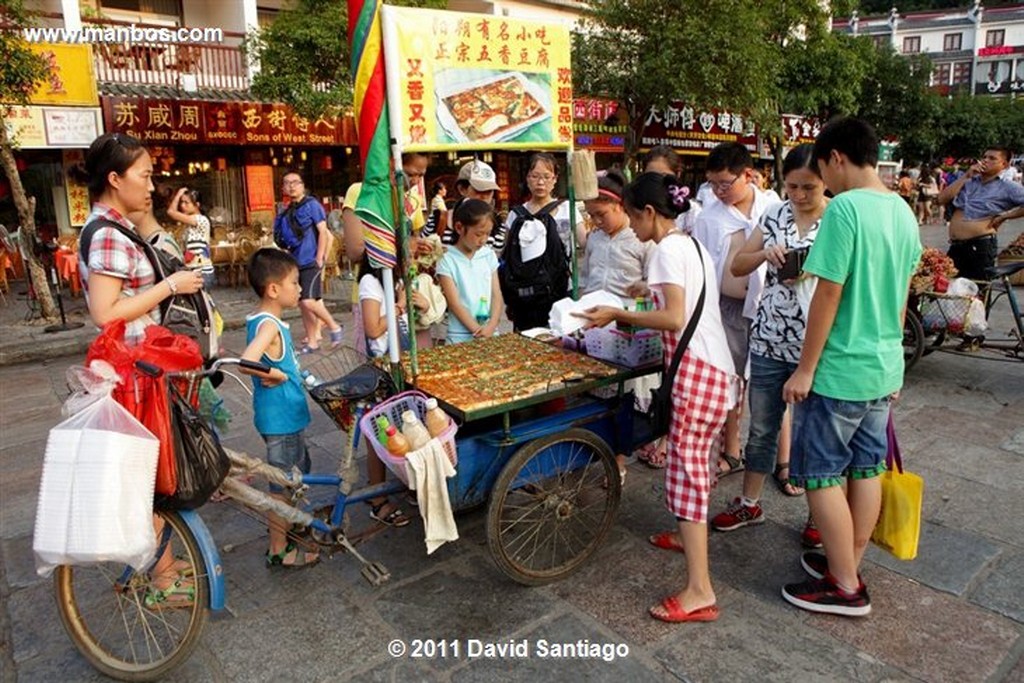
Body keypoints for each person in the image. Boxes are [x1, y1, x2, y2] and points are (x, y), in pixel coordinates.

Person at [576, 172, 735, 624]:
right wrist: (647, 290)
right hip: (717, 368)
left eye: (631, 212)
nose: (630, 223)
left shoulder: (665, 248)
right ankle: (690, 537)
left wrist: (616, 311)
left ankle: (699, 590)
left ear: (647, 212)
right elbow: (688, 299)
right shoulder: (689, 243)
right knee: (698, 463)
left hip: (695, 372)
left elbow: (673, 317)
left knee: (686, 471)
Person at [781, 118, 922, 617]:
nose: (825, 180)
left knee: (820, 475)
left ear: (835, 158)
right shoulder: (903, 212)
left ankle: (843, 585)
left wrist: (805, 369)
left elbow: (830, 292)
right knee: (866, 468)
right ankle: (848, 562)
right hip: (882, 367)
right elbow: (902, 297)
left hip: (840, 368)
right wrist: (897, 364)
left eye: (822, 168)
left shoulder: (845, 210)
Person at [77, 132, 205, 604]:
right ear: (115, 178)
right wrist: (171, 284)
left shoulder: (114, 224)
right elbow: (106, 312)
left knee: (152, 476)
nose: (152, 186)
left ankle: (163, 570)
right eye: (145, 176)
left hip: (139, 368)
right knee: (151, 478)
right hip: (134, 374)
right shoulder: (108, 233)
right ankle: (160, 580)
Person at [709, 144, 829, 543]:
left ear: (825, 182)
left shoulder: (836, 219)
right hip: (767, 339)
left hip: (815, 346)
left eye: (808, 187)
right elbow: (738, 264)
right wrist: (765, 252)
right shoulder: (774, 213)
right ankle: (749, 502)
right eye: (791, 186)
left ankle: (819, 515)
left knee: (813, 432)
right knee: (761, 428)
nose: (798, 195)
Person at [692, 142, 779, 479]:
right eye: (712, 184)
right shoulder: (709, 216)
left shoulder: (774, 208)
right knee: (729, 380)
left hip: (770, 312)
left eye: (725, 184)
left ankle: (779, 459)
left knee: (771, 383)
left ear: (749, 175)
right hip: (727, 309)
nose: (718, 191)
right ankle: (731, 447)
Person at [241, 248, 321, 568]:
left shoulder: (266, 321)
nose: (300, 289)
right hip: (281, 422)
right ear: (273, 289)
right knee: (281, 485)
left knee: (297, 472)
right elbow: (248, 360)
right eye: (294, 282)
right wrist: (273, 373)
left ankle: (295, 523)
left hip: (283, 418)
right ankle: (279, 549)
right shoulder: (269, 325)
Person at [581, 169, 655, 480]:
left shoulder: (641, 241)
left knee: (624, 394)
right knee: (600, 392)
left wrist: (638, 295)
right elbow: (585, 278)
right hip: (597, 324)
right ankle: (602, 449)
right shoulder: (595, 239)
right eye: (591, 216)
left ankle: (620, 459)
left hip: (629, 326)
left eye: (601, 214)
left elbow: (654, 285)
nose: (596, 222)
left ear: (620, 206)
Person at [357, 250, 421, 527]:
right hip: (380, 364)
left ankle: (408, 484)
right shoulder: (371, 282)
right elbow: (373, 329)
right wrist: (399, 306)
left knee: (405, 424)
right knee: (380, 430)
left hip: (400, 359)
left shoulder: (397, 281)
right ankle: (377, 498)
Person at [273, 170, 343, 353]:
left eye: (295, 182)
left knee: (308, 301)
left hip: (310, 260)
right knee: (304, 303)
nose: (291, 186)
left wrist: (320, 257)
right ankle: (312, 341)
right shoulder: (286, 211)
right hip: (295, 263)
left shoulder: (312, 205)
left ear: (302, 185)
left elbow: (323, 232)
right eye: (287, 183)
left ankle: (334, 326)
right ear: (283, 188)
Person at [936, 147, 1024, 280]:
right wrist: (966, 176)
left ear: (1004, 165)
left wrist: (1005, 216)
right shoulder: (968, 181)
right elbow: (941, 199)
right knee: (950, 290)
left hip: (980, 246)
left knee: (977, 291)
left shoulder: (1008, 187)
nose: (986, 161)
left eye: (992, 158)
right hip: (956, 246)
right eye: (984, 157)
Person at [437, 198, 503, 344]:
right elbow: (454, 303)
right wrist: (477, 330)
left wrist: (492, 326)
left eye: (488, 234)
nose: (483, 240)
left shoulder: (488, 255)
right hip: (459, 335)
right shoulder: (447, 259)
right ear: (459, 227)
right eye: (479, 234)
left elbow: (496, 294)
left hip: (490, 332)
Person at [644, 147, 703, 233]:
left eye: (663, 176)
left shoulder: (691, 212)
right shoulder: (637, 207)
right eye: (651, 176)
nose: (656, 181)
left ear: (678, 174)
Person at [166, 187, 215, 289]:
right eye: (181, 202)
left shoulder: (199, 219)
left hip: (202, 272)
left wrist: (178, 194)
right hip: (196, 271)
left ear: (197, 205)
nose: (182, 206)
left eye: (186, 203)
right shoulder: (191, 222)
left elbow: (171, 212)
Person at [445, 160, 500, 246]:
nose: (484, 196)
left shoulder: (498, 222)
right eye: (479, 190)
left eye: (489, 191)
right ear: (462, 189)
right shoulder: (441, 218)